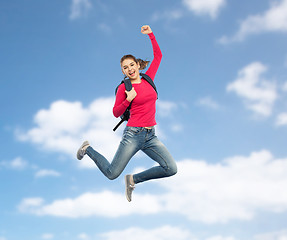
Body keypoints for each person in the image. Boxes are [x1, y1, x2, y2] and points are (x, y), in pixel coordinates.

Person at [77, 25, 177, 202]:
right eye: (125, 67)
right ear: (123, 71)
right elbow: (116, 113)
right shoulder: (124, 88)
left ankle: (132, 180)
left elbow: (158, 56)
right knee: (111, 173)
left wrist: (151, 35)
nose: (130, 69)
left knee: (170, 168)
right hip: (133, 135)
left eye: (132, 65)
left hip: (150, 135)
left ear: (138, 65)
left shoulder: (148, 79)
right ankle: (87, 148)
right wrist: (128, 99)